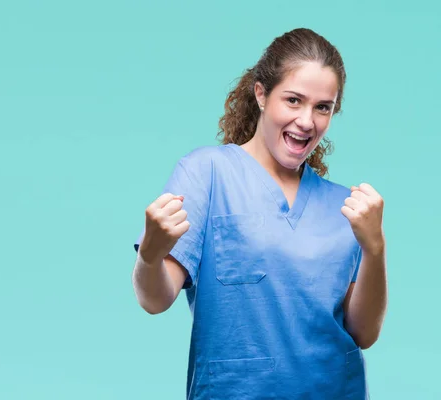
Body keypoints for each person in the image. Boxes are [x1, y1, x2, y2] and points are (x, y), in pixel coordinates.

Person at [131, 28, 387, 399]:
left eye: (323, 107)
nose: (306, 121)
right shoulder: (207, 174)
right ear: (261, 94)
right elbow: (154, 300)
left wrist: (375, 249)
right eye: (294, 100)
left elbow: (364, 333)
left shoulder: (344, 207)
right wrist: (150, 255)